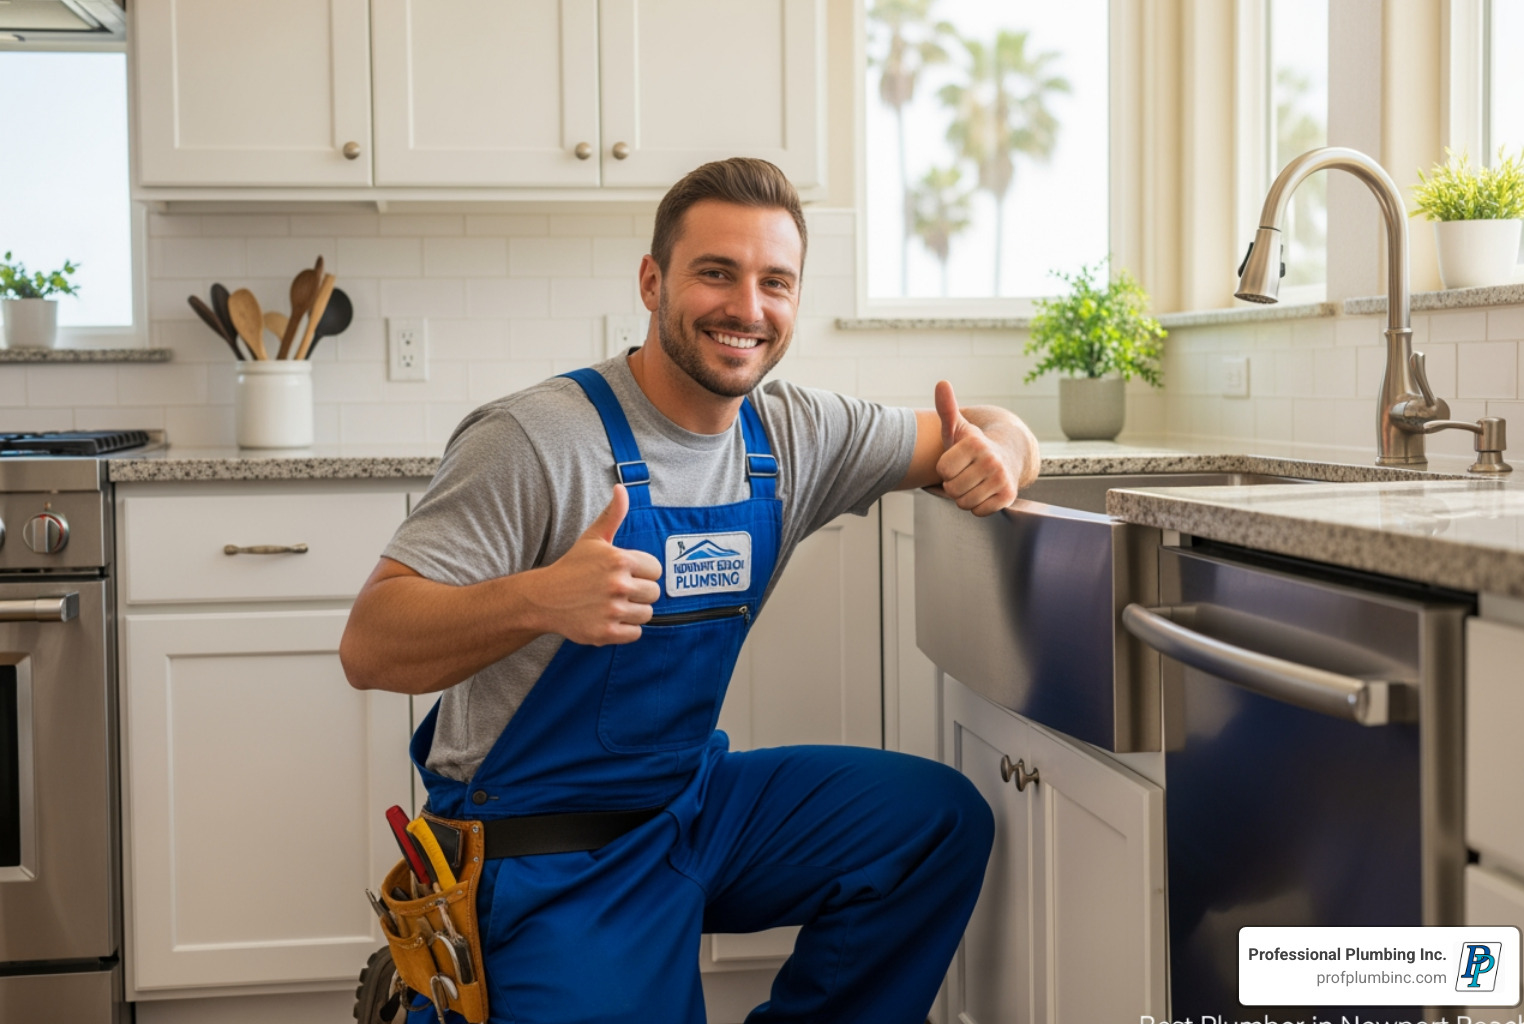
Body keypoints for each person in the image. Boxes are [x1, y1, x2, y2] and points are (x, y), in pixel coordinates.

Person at [340, 157, 1040, 1024]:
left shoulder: (795, 433)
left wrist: (1005, 451)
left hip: (690, 806)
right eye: (716, 273)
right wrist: (540, 600)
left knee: (932, 824)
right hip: (542, 846)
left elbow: (989, 430)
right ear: (651, 281)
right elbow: (369, 645)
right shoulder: (536, 438)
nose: (747, 308)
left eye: (774, 282)